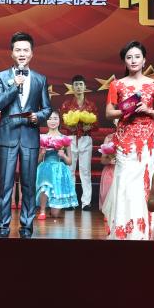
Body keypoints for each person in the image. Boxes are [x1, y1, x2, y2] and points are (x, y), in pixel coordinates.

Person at [102, 40, 154, 240]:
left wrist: (148, 110)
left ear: (144, 60)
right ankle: (123, 229)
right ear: (124, 61)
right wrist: (126, 109)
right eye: (129, 57)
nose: (133, 60)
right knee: (125, 179)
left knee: (145, 179)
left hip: (148, 138)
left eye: (137, 56)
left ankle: (147, 228)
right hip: (125, 138)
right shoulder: (117, 84)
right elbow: (108, 113)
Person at [0, 30, 52, 239]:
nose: (22, 54)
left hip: (29, 136)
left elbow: (47, 108)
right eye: (18, 50)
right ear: (12, 53)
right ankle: (2, 228)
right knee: (5, 185)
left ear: (32, 54)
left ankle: (27, 228)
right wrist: (13, 86)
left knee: (28, 185)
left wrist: (38, 116)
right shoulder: (1, 77)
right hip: (8, 136)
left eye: (26, 50)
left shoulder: (40, 79)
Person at [59, 74, 97, 210]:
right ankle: (70, 200)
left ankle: (86, 202)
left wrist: (89, 126)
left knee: (85, 171)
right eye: (76, 85)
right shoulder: (67, 104)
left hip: (85, 138)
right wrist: (69, 126)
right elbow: (62, 123)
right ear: (72, 87)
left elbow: (96, 124)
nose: (79, 87)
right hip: (71, 139)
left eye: (81, 84)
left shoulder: (91, 105)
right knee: (70, 170)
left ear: (85, 86)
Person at [36, 111, 77, 219]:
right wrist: (42, 153)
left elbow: (70, 162)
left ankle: (52, 209)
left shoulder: (65, 138)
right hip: (46, 167)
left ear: (59, 121)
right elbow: (37, 161)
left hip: (59, 170)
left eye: (55, 118)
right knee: (45, 185)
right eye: (50, 119)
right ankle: (42, 210)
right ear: (46, 121)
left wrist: (63, 156)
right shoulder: (42, 137)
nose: (52, 121)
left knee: (55, 215)